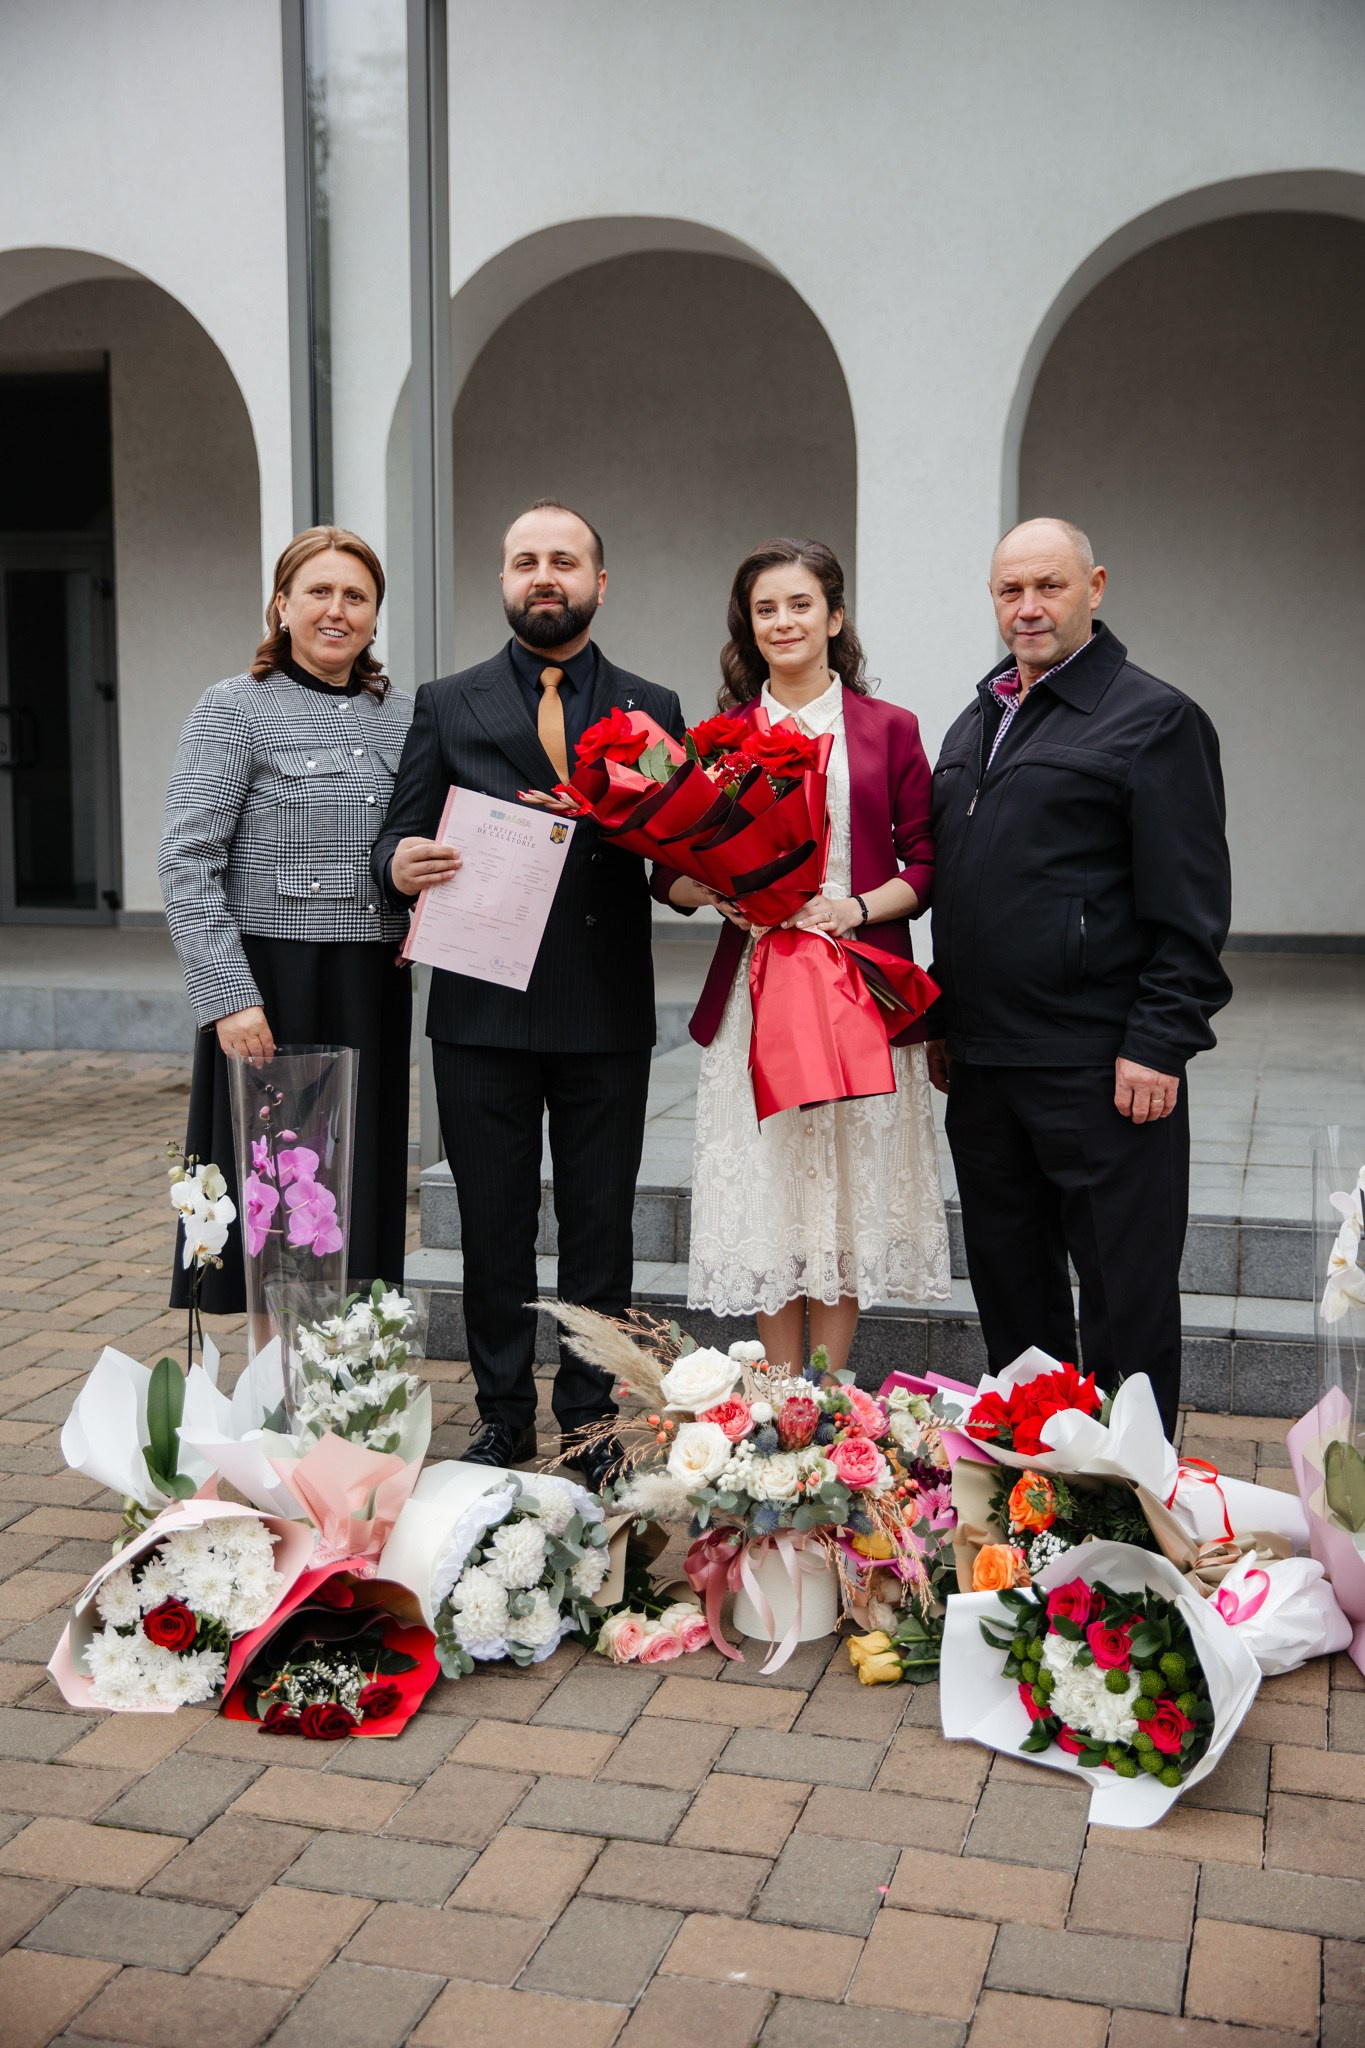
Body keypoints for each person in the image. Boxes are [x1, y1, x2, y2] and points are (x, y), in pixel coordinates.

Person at [372, 498, 686, 1486]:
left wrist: (711, 866)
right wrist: (398, 864)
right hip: (480, 1008)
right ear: (503, 580)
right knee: (493, 1231)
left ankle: (590, 1423)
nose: (543, 575)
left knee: (600, 1232)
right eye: (524, 561)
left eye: (564, 560)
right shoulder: (446, 701)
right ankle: (502, 1418)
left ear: (600, 582)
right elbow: (397, 833)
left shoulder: (651, 706)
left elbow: (675, 853)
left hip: (603, 1008)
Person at [926, 516, 1232, 1437]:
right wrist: (943, 1017)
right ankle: (1032, 1497)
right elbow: (966, 883)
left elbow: (1191, 906)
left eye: (1048, 586)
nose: (1027, 607)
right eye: (1009, 590)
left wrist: (1159, 1042)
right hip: (984, 1068)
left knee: (1122, 1306)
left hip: (1099, 1070)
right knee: (1013, 1304)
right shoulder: (975, 721)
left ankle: (1131, 1500)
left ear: (1093, 588)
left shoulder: (1154, 720)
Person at [662, 538, 951, 1371]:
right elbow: (665, 875)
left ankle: (824, 1393)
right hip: (754, 993)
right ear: (747, 627)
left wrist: (851, 908)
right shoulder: (718, 738)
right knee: (770, 1190)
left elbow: (926, 864)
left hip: (856, 985)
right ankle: (779, 1391)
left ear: (833, 617)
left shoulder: (889, 729)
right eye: (765, 609)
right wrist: (717, 894)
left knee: (842, 1196)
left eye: (799, 604)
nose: (782, 621)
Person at [159, 526, 414, 1313]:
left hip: (372, 981)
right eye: (318, 592)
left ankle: (351, 1362)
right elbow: (187, 860)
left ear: (374, 615)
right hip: (271, 988)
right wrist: (228, 997)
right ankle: (273, 1374)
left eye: (356, 596)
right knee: (273, 1191)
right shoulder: (233, 708)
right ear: (281, 604)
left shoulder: (404, 717)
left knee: (357, 1181)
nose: (337, 610)